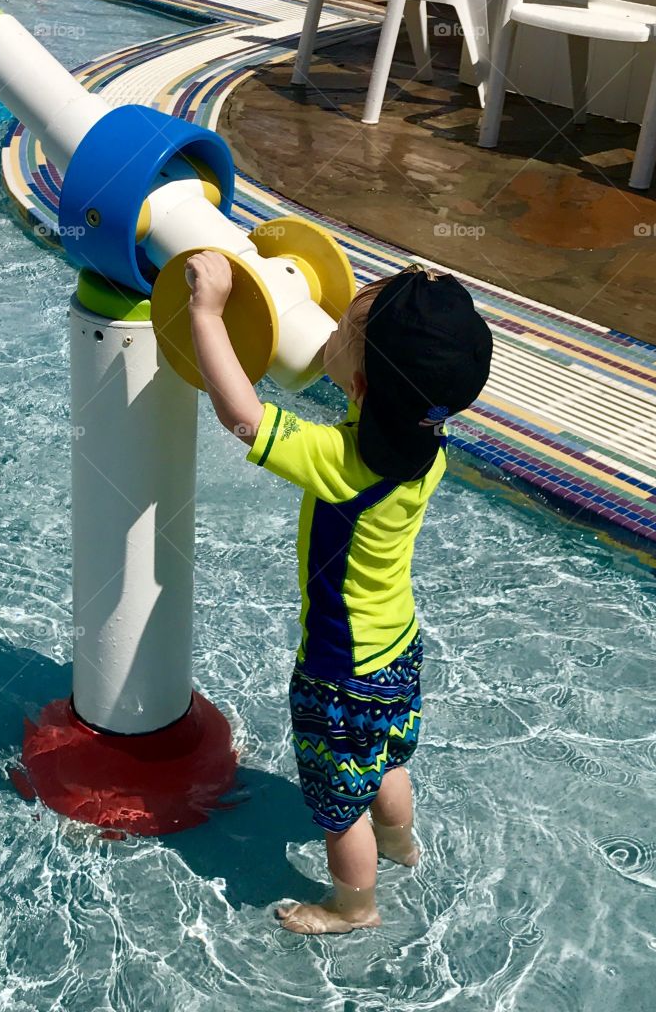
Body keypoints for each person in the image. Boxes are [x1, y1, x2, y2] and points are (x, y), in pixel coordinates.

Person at [186, 253, 493, 935]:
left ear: (355, 384)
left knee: (337, 808)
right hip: (399, 651)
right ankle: (401, 843)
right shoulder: (430, 447)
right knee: (385, 761)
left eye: (342, 328)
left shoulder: (339, 462)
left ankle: (354, 904)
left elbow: (242, 416)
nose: (328, 327)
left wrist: (206, 312)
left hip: (340, 671)